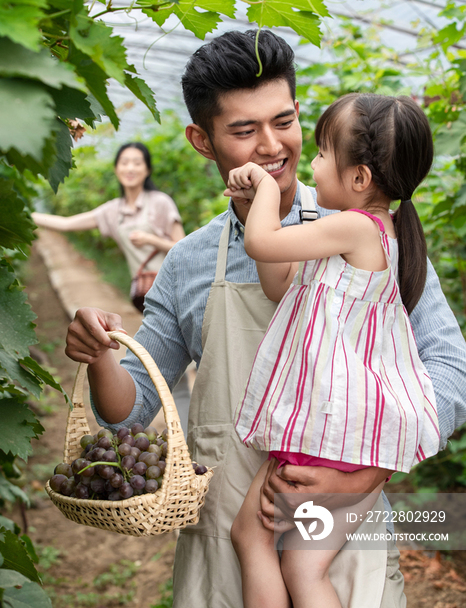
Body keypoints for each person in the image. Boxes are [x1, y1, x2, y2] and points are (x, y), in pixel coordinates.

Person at [63, 30, 466, 608]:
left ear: (302, 114)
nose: (272, 146)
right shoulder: (190, 262)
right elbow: (132, 410)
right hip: (228, 537)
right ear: (202, 140)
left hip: (336, 533)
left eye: (284, 121)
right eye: (244, 130)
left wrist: (363, 474)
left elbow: (450, 371)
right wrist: (101, 352)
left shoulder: (366, 237)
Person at [226, 93, 441, 608]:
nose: (314, 164)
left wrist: (262, 193)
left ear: (361, 179)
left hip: (322, 434)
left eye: (323, 154)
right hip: (349, 445)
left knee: (251, 537)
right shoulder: (381, 234)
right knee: (303, 566)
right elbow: (281, 280)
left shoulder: (353, 226)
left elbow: (262, 244)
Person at [32, 141, 190, 433]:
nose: (130, 168)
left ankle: (184, 435)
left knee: (175, 364)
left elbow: (184, 247)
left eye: (137, 162)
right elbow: (66, 224)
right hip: (143, 296)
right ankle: (179, 433)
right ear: (117, 169)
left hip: (175, 293)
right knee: (158, 364)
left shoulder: (160, 203)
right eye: (124, 162)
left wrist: (152, 240)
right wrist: (23, 216)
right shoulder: (113, 211)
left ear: (146, 169)